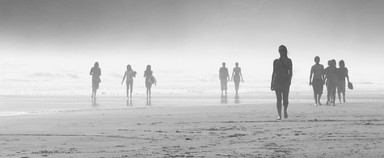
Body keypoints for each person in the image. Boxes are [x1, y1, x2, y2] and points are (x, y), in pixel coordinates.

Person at [271, 45, 293, 120]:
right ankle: (279, 115)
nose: (281, 52)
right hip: (277, 81)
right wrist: (271, 83)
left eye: (282, 50)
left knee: (285, 100)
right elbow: (273, 72)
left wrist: (289, 81)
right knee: (278, 99)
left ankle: (285, 110)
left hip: (285, 81)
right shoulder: (276, 61)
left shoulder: (289, 61)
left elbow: (290, 72)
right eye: (280, 50)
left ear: (285, 51)